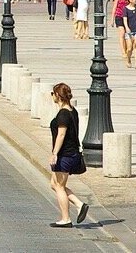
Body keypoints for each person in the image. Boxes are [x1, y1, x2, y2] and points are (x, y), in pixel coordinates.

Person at [46, 82, 90, 228]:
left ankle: (66, 219)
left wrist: (54, 154)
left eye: (53, 93)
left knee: (59, 186)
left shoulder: (63, 114)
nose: (52, 96)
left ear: (58, 96)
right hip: (71, 153)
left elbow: (61, 134)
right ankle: (79, 204)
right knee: (55, 184)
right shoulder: (72, 110)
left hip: (65, 155)